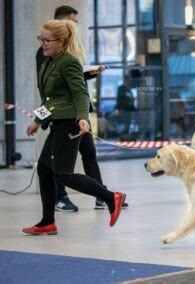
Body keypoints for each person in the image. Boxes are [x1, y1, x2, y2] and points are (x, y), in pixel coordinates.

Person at [23, 19, 125, 235]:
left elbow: (80, 93)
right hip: (58, 122)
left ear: (60, 42)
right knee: (44, 169)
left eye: (46, 40)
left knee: (63, 174)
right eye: (40, 39)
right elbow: (52, 98)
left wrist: (82, 117)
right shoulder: (49, 61)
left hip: (69, 124)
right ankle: (47, 222)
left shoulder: (69, 62)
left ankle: (111, 197)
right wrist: (37, 120)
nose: (42, 43)